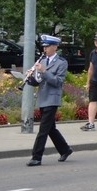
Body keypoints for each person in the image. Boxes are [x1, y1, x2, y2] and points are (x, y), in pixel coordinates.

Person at [26, 34, 73, 166]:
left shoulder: (61, 63)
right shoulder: (42, 61)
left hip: (52, 99)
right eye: (44, 46)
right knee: (50, 128)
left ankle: (36, 157)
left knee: (43, 129)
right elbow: (38, 82)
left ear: (54, 47)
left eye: (47, 46)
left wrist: (44, 71)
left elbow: (57, 82)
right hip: (42, 97)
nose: (44, 49)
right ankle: (65, 149)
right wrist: (30, 77)